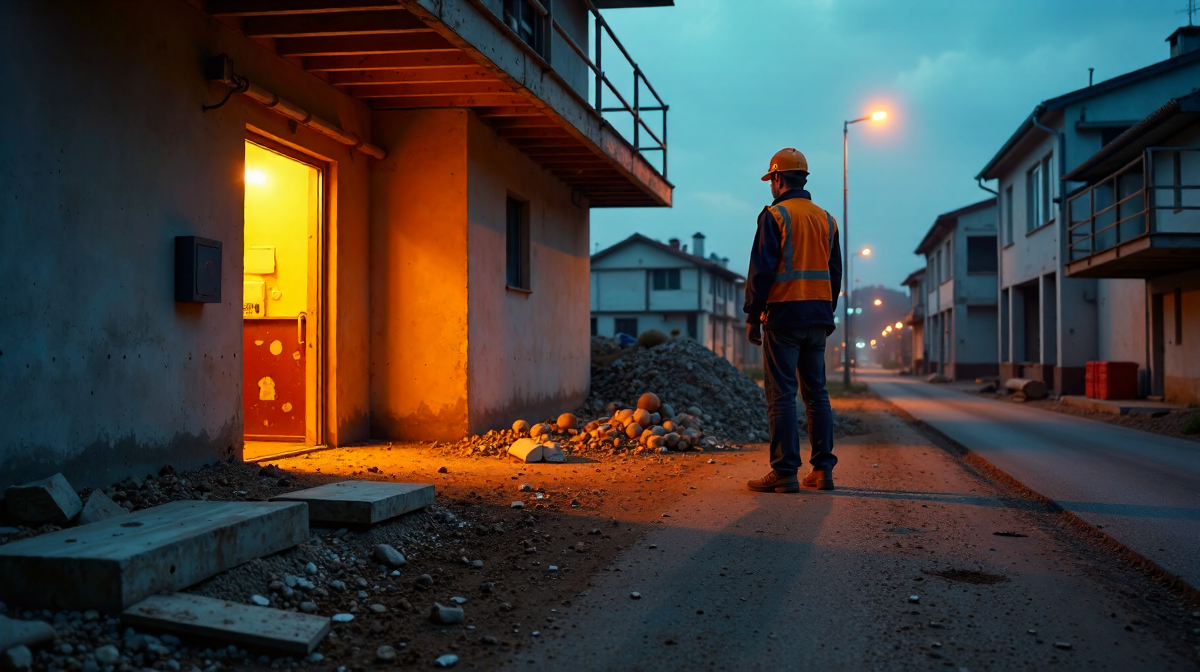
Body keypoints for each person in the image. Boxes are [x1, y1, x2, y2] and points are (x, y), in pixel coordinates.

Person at [744, 148, 843, 493]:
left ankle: (785, 471)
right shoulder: (827, 219)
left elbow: (761, 270)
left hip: (784, 316)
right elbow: (835, 273)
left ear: (777, 178)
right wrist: (825, 310)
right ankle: (822, 470)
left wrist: (753, 314)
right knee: (817, 394)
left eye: (771, 179)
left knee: (783, 394)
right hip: (818, 317)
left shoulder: (775, 216)